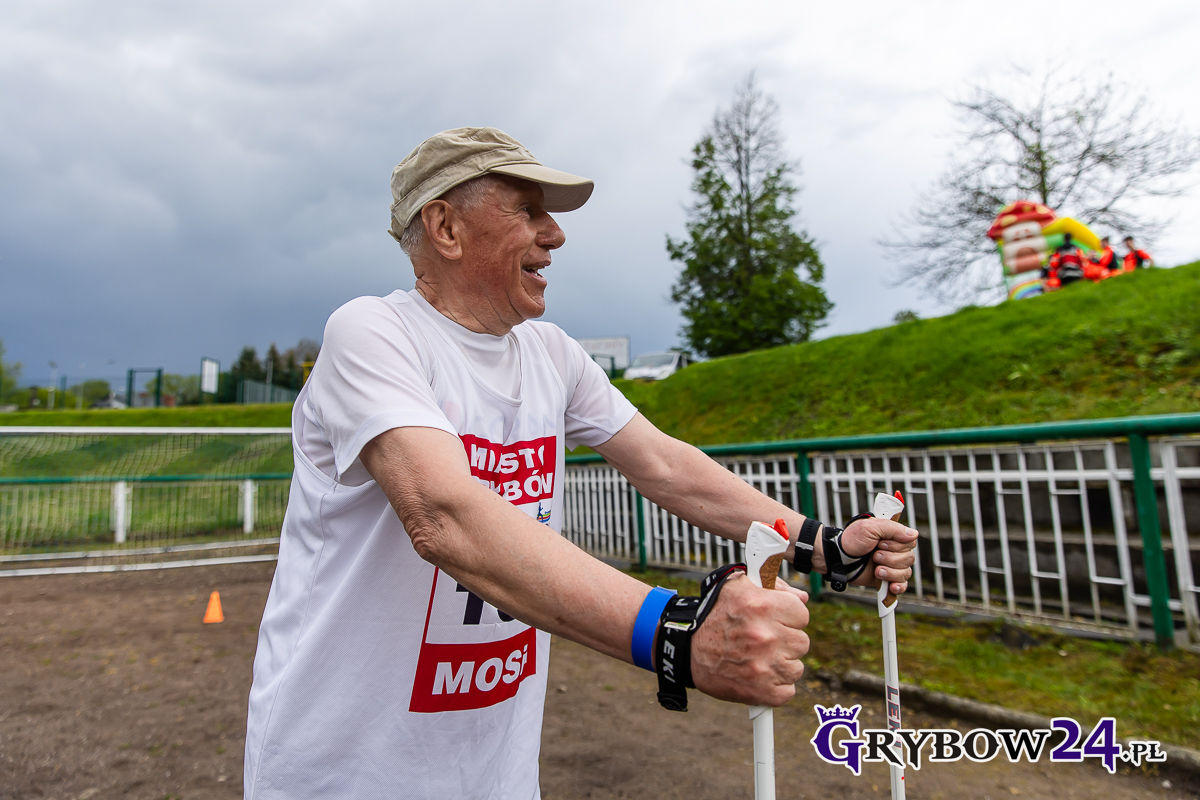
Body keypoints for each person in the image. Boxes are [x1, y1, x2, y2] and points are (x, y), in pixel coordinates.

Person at [243, 127, 919, 800]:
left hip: (495, 778)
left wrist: (823, 546)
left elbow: (663, 464)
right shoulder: (372, 333)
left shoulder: (551, 353)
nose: (555, 234)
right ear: (445, 227)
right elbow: (444, 516)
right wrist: (676, 634)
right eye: (527, 211)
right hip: (343, 773)